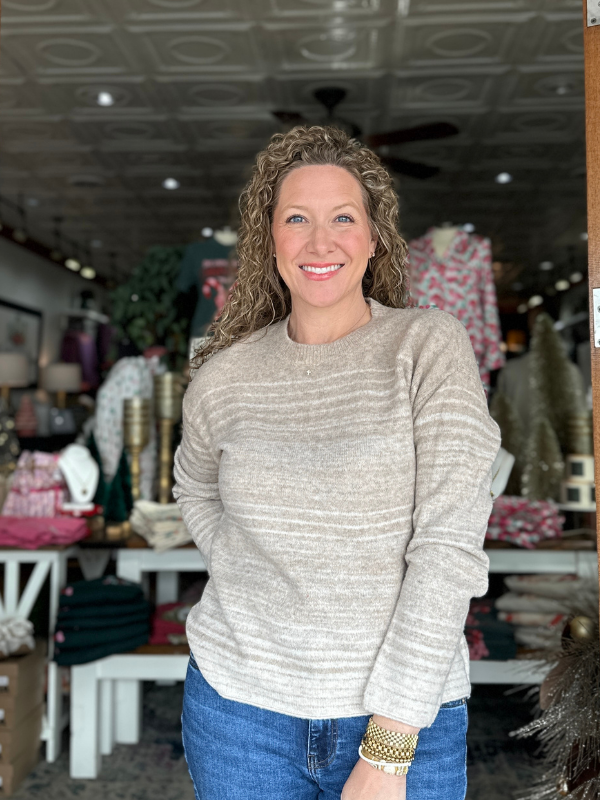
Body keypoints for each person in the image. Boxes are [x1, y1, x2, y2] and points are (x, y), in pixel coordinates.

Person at [173, 125, 501, 800]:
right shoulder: (223, 376)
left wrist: (389, 745)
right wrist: (244, 560)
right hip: (239, 711)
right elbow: (193, 486)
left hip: (405, 717)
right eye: (297, 219)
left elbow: (448, 545)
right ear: (270, 240)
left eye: (343, 219)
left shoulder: (426, 347)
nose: (320, 243)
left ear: (375, 237)